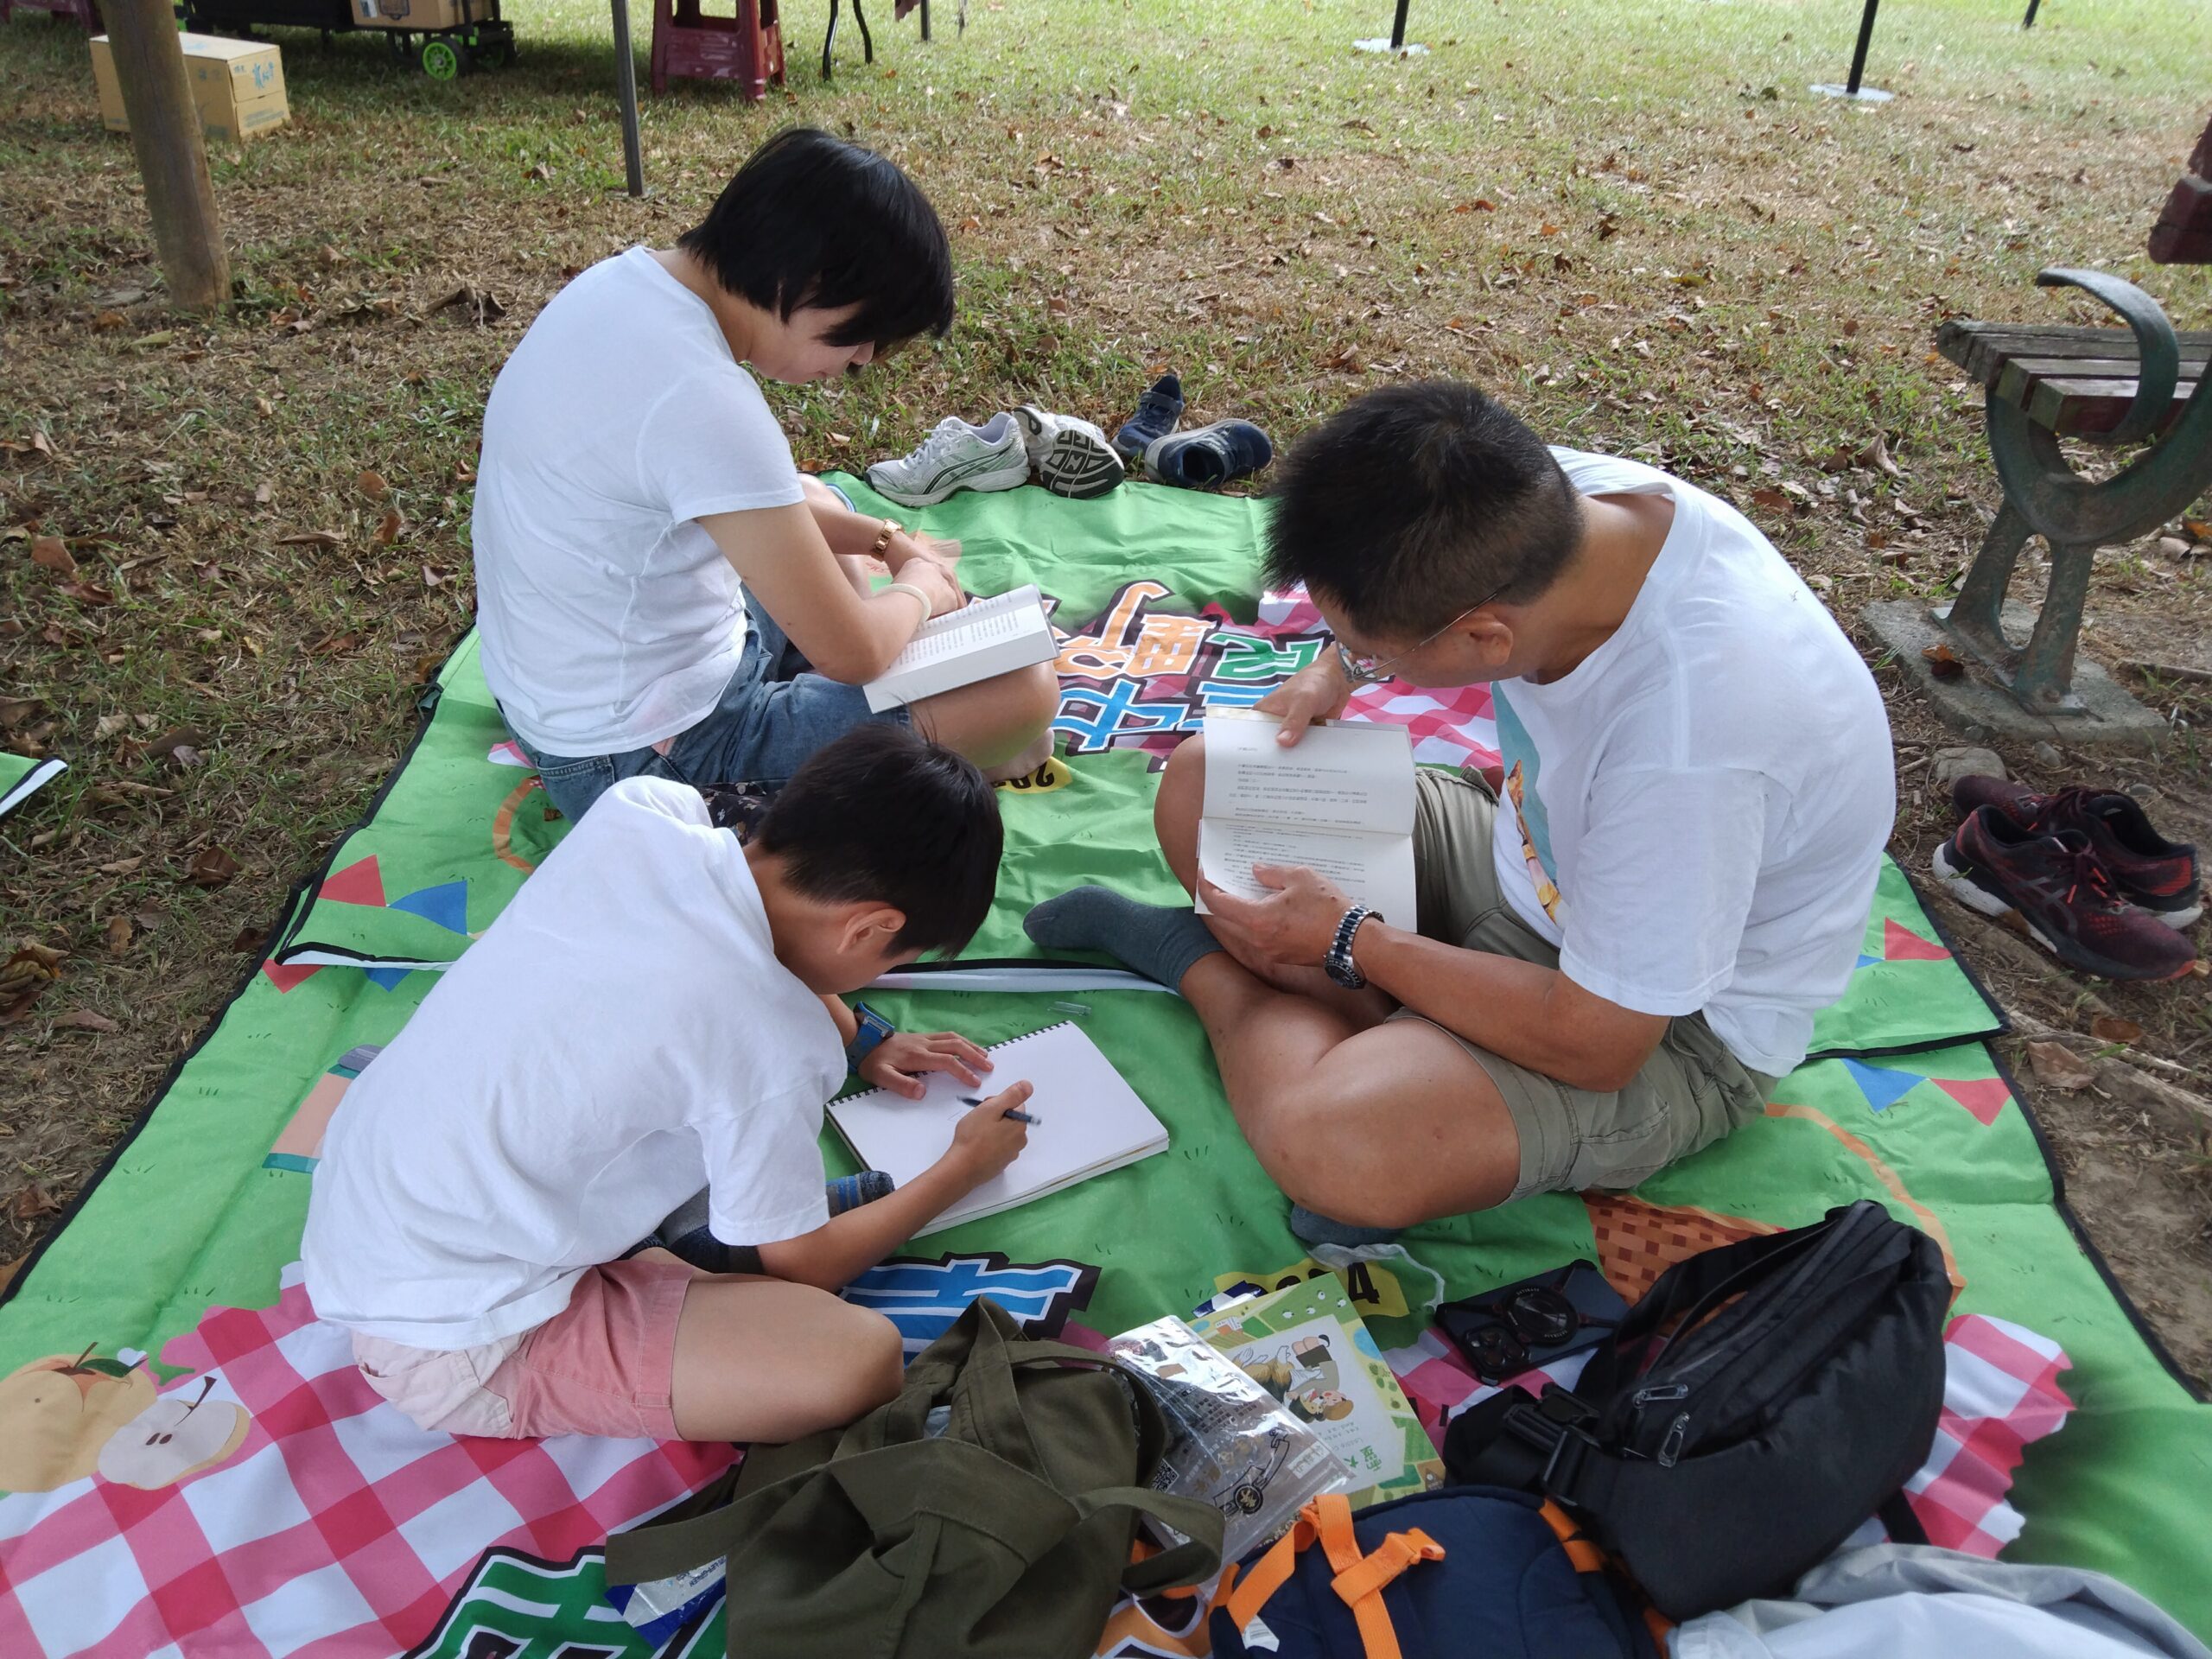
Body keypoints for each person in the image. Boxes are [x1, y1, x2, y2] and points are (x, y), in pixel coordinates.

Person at [1026, 382, 1894, 1243]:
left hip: (1663, 1026)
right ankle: (1383, 1040)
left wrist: (1353, 939)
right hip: (1519, 859)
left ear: (1485, 637)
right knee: (1208, 779)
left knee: (1333, 1143)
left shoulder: (1692, 747)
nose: (1364, 662)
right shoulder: (1548, 501)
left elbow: (1598, 1042)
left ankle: (1204, 970)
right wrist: (1335, 670)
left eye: (1375, 651)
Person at [302, 726, 1034, 1444]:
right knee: (857, 1359)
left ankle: (697, 1249)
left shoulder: (643, 815)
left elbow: (766, 945)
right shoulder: (769, 1046)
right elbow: (806, 1266)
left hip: (376, 1209)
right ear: (870, 927)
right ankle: (694, 1255)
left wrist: (865, 1040)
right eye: (891, 959)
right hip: (455, 1338)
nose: (874, 980)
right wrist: (961, 1168)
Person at [470, 126, 1059, 823]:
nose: (862, 359)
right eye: (860, 332)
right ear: (803, 280)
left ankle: (858, 698)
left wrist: (884, 539)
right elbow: (855, 653)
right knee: (1025, 693)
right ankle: (910, 741)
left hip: (564, 699)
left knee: (811, 496)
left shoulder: (622, 284)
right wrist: (921, 588)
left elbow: (726, 499)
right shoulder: (703, 399)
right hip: (644, 758)